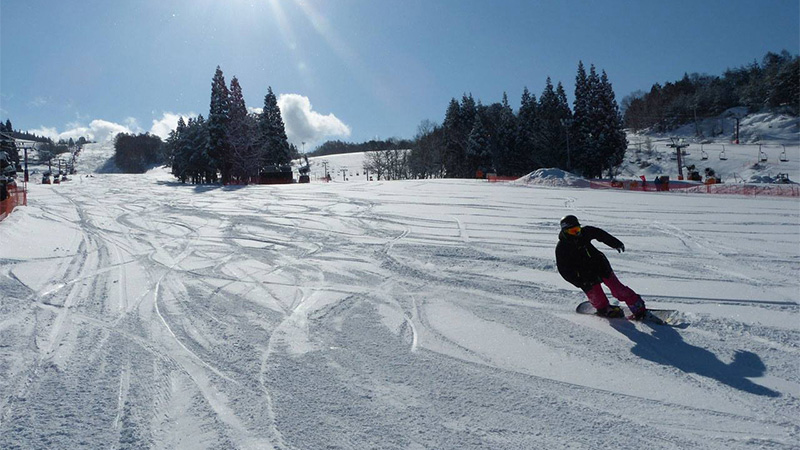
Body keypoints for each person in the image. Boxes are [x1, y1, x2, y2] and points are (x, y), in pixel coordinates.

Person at [555, 215, 646, 319]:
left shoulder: (584, 232)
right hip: (585, 274)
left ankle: (637, 306)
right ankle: (604, 309)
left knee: (618, 289)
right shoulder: (562, 247)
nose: (577, 233)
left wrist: (615, 243)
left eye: (578, 229)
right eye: (573, 231)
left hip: (600, 265)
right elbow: (564, 270)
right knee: (595, 295)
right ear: (565, 231)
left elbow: (600, 234)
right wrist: (579, 282)